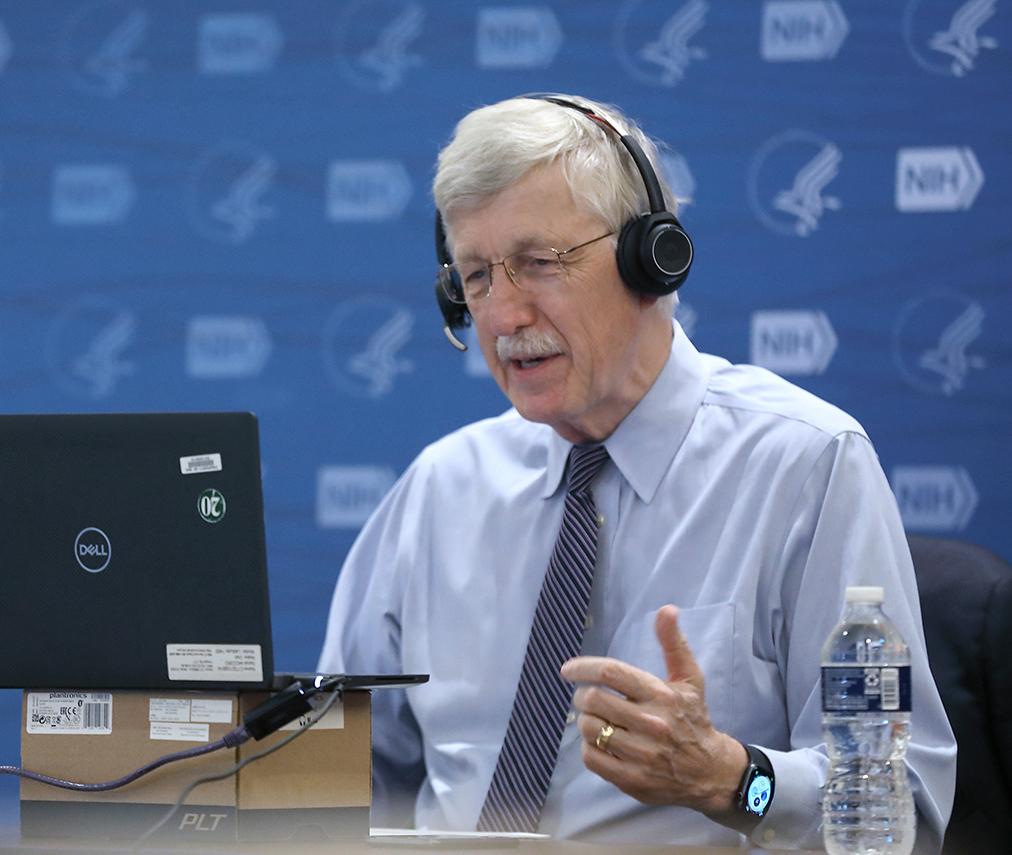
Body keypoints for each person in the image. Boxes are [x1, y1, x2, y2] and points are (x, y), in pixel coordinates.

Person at [317, 94, 956, 850]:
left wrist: (732, 779)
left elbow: (897, 809)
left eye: (538, 264)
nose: (504, 315)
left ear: (650, 259)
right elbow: (335, 774)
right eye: (477, 276)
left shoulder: (806, 465)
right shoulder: (440, 489)